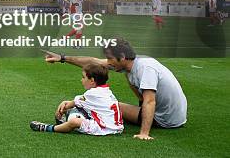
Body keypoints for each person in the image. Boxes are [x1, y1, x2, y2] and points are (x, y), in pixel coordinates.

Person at [44, 38, 187, 140]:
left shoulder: (145, 68)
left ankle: (86, 117)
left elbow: (149, 101)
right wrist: (62, 58)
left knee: (113, 107)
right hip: (170, 115)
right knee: (113, 107)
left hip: (166, 119)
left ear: (122, 57)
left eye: (110, 58)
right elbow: (94, 62)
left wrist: (144, 133)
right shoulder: (130, 64)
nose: (108, 62)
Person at [30, 63, 123, 136]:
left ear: (92, 80)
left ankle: (49, 128)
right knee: (79, 110)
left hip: (103, 129)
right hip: (116, 127)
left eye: (83, 77)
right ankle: (63, 123)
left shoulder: (92, 94)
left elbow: (71, 104)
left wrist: (63, 106)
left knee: (75, 121)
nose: (81, 80)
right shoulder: (106, 91)